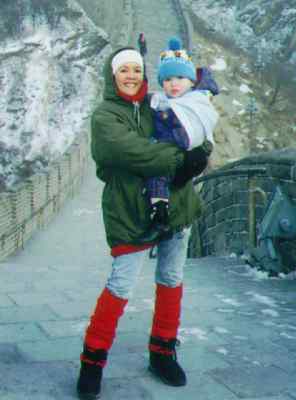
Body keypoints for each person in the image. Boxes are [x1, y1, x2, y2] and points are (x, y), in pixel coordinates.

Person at [76, 46, 210, 400]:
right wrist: (182, 157)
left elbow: (198, 128)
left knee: (171, 278)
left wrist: (199, 150)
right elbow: (124, 153)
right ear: (113, 75)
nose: (132, 76)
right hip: (128, 211)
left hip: (177, 203)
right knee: (120, 285)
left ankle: (163, 352)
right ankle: (92, 363)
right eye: (124, 70)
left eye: (137, 69)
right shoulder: (105, 116)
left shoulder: (158, 103)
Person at [141, 37, 219, 242]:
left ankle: (161, 219)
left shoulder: (195, 103)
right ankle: (160, 216)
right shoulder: (165, 102)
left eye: (179, 78)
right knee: (156, 177)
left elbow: (188, 136)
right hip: (172, 161)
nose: (173, 84)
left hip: (183, 158)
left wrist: (162, 128)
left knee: (157, 173)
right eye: (167, 80)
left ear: (191, 81)